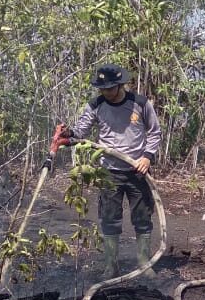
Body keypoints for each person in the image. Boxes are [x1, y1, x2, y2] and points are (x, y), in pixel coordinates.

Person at [61, 63, 162, 279]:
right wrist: (68, 134)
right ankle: (111, 265)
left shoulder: (141, 104)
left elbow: (155, 133)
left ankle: (144, 262)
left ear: (119, 85)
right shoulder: (96, 105)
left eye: (109, 88)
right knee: (109, 218)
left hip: (138, 171)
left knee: (142, 217)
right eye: (102, 89)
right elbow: (80, 132)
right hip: (109, 172)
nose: (105, 92)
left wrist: (147, 157)